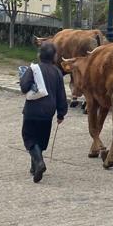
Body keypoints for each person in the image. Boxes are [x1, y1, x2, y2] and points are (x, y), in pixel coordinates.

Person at [19, 41, 68, 183]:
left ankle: (39, 163)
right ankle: (34, 167)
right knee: (40, 139)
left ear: (39, 55)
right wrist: (61, 113)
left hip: (32, 110)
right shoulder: (57, 72)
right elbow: (61, 95)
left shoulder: (33, 69)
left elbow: (24, 87)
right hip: (48, 112)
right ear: (54, 57)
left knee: (29, 138)